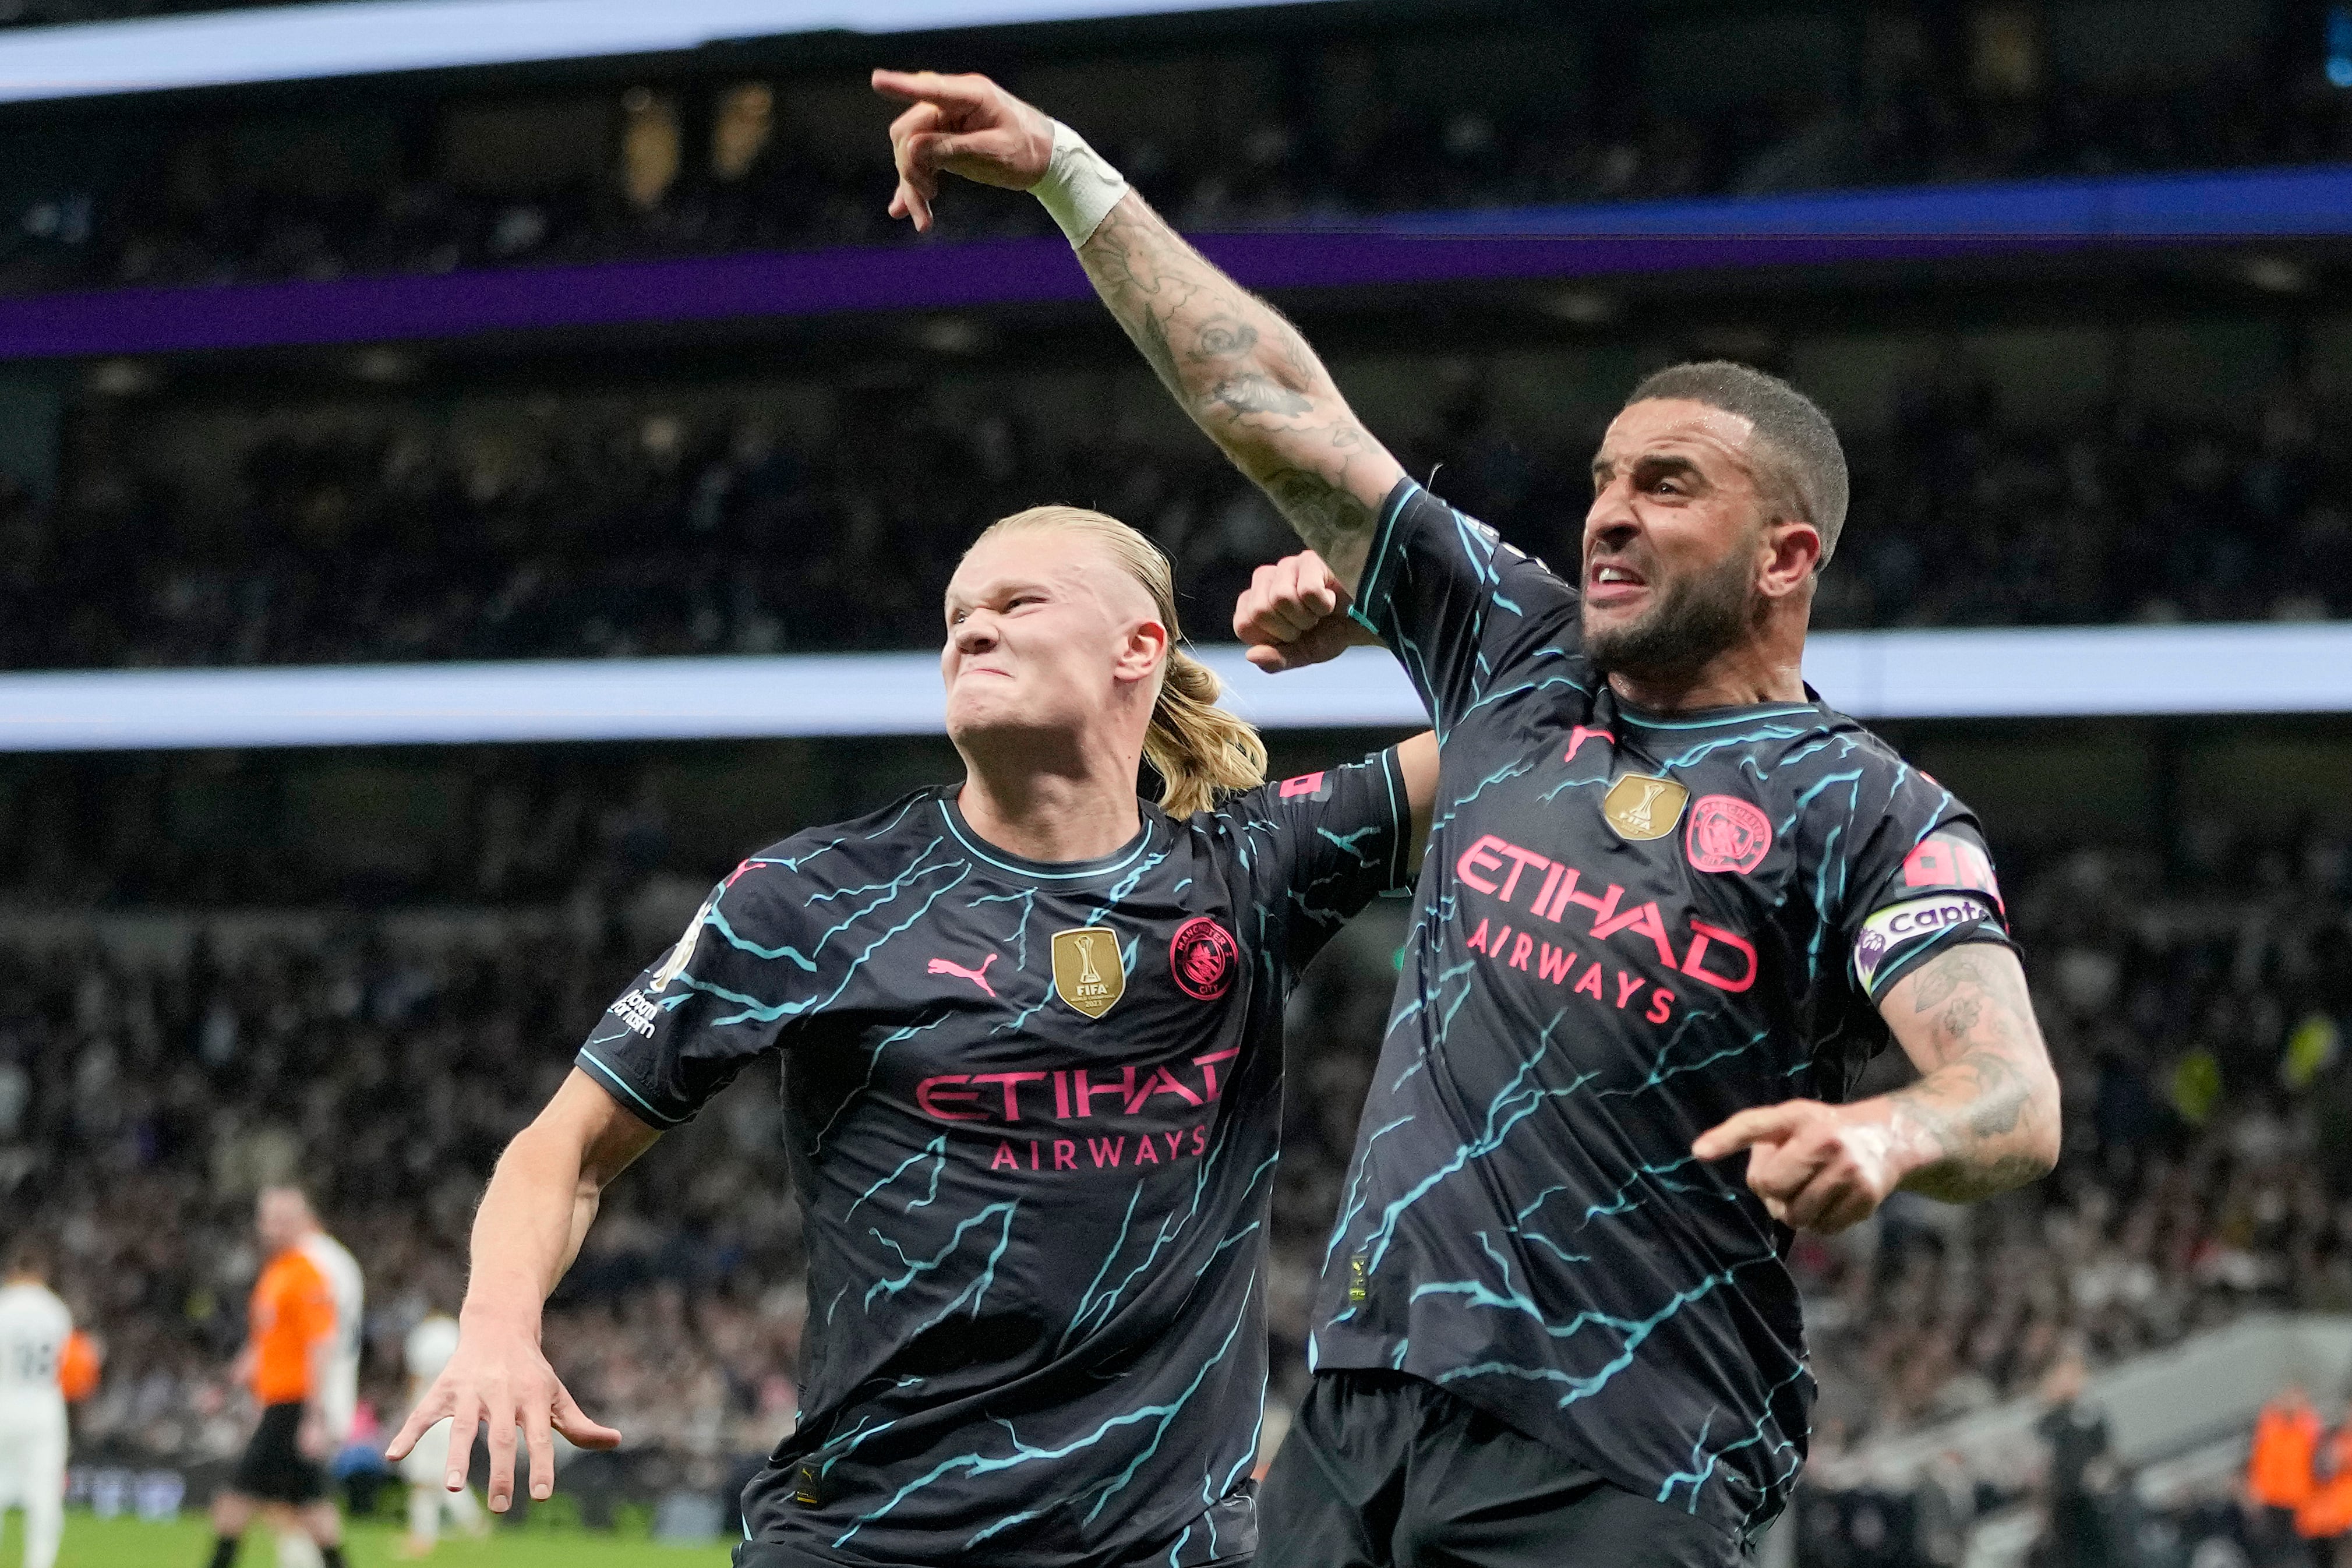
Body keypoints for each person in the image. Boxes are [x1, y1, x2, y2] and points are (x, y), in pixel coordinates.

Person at [872, 71, 2063, 1567]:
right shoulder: (1519, 652)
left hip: (1625, 1443)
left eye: (1665, 485)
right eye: (1601, 480)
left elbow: (2011, 1094)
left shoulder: (1865, 806)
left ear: (1784, 555)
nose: (1607, 512)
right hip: (1358, 1414)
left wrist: (1886, 1133)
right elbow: (1277, 411)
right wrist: (1063, 173)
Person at [389, 504, 1440, 1567]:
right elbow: (560, 1149)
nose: (970, 631)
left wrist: (1399, 615)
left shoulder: (1251, 871)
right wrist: (496, 1325)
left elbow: (1563, 725)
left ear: (1141, 646)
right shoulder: (812, 898)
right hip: (869, 1538)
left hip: (1166, 1547)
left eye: (1018, 602)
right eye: (956, 615)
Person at [205, 1189, 349, 1568]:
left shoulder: (307, 1276)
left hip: (292, 1406)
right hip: (277, 1403)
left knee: (235, 1501)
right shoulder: (275, 1274)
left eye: (284, 1219)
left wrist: (314, 1417)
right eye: (268, 1219)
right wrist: (226, 1387)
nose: (273, 1228)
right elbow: (262, 1344)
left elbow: (322, 1345)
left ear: (305, 1224)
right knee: (312, 1510)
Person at [0, 1248, 72, 1568]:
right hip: (44, 1408)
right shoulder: (57, 1310)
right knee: (45, 1496)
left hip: (4, 1400)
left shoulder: (4, 1305)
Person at [395, 1309, 485, 1558]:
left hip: (427, 1411)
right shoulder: (457, 1333)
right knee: (444, 1474)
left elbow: (416, 1377)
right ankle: (472, 1522)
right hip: (455, 1411)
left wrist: (408, 1414)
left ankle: (423, 1537)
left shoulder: (422, 1336)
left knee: (423, 1479)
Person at [2250, 1384, 2321, 1567]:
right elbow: (2262, 1459)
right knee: (2275, 1549)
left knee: (2295, 1551)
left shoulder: (2305, 1427)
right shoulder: (2272, 1426)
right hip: (2273, 1498)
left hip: (2297, 1500)